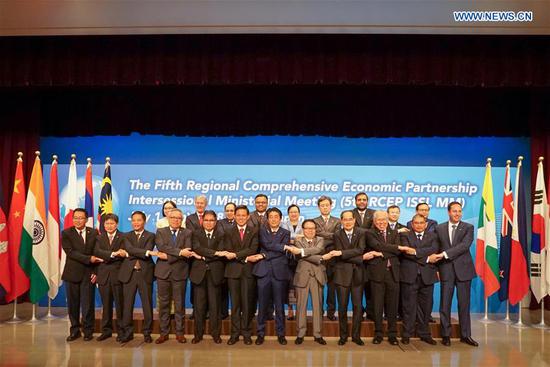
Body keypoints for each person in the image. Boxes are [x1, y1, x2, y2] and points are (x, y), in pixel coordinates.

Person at [432, 201, 478, 347]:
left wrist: (445, 254)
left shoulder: (468, 227)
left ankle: (466, 335)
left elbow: (464, 246)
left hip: (463, 271)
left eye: (459, 211)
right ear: (448, 212)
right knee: (445, 304)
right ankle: (446, 335)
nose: (457, 214)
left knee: (464, 304)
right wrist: (436, 268)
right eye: (454, 211)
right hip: (446, 270)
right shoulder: (439, 228)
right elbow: (436, 248)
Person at [322, 210, 365, 346]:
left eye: (350, 219)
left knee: (358, 307)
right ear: (341, 221)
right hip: (341, 275)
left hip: (358, 275)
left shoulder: (362, 233)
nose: (347, 222)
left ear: (354, 220)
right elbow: (351, 254)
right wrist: (356, 257)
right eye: (344, 219)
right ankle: (343, 336)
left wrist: (342, 253)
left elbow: (361, 250)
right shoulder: (337, 235)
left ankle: (356, 336)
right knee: (342, 307)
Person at [250, 207, 291, 345]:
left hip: (279, 274)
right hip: (263, 273)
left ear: (280, 219)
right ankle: (260, 334)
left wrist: (264, 254)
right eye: (271, 216)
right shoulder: (261, 231)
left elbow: (280, 251)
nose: (273, 219)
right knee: (262, 306)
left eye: (276, 216)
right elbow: (267, 245)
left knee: (279, 306)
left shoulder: (286, 232)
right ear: (267, 219)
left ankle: (281, 334)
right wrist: (281, 247)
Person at [365, 210, 406, 346]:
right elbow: (377, 245)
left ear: (388, 220)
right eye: (379, 221)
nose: (382, 223)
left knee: (392, 306)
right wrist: (393, 249)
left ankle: (392, 334)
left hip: (393, 273)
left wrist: (381, 254)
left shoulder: (395, 232)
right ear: (374, 222)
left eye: (384, 220)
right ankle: (378, 333)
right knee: (377, 305)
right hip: (377, 274)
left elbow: (398, 251)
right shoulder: (370, 233)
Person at [118, 211, 159, 344]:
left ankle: (147, 332)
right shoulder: (126, 235)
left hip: (144, 273)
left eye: (138, 220)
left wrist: (132, 253)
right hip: (129, 274)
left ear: (144, 221)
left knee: (147, 305)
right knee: (127, 305)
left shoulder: (151, 236)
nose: (136, 223)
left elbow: (137, 251)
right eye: (133, 220)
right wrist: (145, 252)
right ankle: (127, 332)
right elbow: (135, 250)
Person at [154, 208, 194, 344]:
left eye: (178, 218)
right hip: (162, 273)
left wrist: (170, 256)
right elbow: (161, 247)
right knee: (163, 305)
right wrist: (179, 252)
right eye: (173, 218)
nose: (176, 220)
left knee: (179, 304)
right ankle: (163, 333)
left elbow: (187, 251)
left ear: (181, 220)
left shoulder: (187, 233)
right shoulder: (160, 231)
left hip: (180, 273)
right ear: (168, 218)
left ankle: (179, 333)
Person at [398, 214, 438, 345]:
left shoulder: (433, 236)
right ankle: (406, 334)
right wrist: (426, 258)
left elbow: (433, 249)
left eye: (422, 223)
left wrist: (415, 251)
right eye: (416, 223)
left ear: (426, 224)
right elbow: (406, 253)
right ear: (412, 224)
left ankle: (424, 333)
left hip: (427, 276)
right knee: (408, 307)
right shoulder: (404, 236)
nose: (419, 225)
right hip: (409, 276)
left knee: (426, 308)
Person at [62, 208, 101, 342]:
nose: (78, 220)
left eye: (81, 218)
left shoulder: (94, 232)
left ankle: (88, 331)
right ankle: (75, 330)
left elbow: (98, 253)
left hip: (88, 274)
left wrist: (96, 272)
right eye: (75, 218)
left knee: (88, 304)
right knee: (73, 305)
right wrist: (88, 258)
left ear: (86, 219)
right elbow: (70, 252)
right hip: (72, 273)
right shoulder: (66, 233)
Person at [285, 219, 327, 345]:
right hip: (302, 276)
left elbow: (318, 249)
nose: (310, 230)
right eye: (307, 228)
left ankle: (318, 334)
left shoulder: (321, 240)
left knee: (317, 307)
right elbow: (314, 253)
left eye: (312, 228)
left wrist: (302, 252)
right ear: (303, 230)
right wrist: (320, 258)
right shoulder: (298, 240)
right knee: (301, 307)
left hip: (317, 276)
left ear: (315, 230)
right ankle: (300, 334)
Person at [223, 205, 259, 345]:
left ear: (248, 216)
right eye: (238, 215)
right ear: (234, 216)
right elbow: (228, 250)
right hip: (233, 272)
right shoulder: (228, 231)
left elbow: (253, 249)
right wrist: (243, 257)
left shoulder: (254, 231)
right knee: (235, 305)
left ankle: (246, 333)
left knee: (247, 304)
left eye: (244, 215)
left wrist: (237, 255)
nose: (241, 217)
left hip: (248, 272)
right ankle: (234, 334)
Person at [190, 210, 226, 344]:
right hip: (199, 274)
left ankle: (215, 334)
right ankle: (197, 334)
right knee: (199, 307)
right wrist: (214, 253)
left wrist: (205, 256)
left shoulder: (221, 234)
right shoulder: (196, 233)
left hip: (215, 274)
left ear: (215, 221)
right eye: (206, 220)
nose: (209, 223)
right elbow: (197, 248)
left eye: (212, 220)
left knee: (215, 306)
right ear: (202, 221)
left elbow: (222, 251)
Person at [93, 213, 127, 342]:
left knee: (120, 305)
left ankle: (121, 331)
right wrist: (113, 254)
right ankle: (106, 331)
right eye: (107, 223)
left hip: (118, 276)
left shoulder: (123, 237)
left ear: (116, 224)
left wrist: (107, 255)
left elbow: (123, 253)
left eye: (112, 223)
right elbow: (97, 252)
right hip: (104, 276)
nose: (109, 226)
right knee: (106, 305)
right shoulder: (99, 238)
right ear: (103, 225)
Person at [313, 195, 340, 321]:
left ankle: (331, 312)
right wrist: (332, 236)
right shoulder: (314, 221)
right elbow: (316, 234)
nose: (325, 207)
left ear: (331, 206)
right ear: (319, 207)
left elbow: (338, 236)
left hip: (334, 258)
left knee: (332, 287)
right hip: (319, 256)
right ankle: (319, 311)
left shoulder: (338, 220)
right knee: (319, 287)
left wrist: (324, 236)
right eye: (322, 205)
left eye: (327, 205)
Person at [352, 192, 375, 321]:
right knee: (357, 288)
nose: (362, 201)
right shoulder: (349, 214)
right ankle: (358, 313)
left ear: (367, 201)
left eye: (364, 200)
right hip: (355, 255)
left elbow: (374, 231)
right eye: (359, 199)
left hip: (371, 255)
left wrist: (359, 231)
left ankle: (371, 313)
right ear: (355, 201)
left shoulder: (374, 213)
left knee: (371, 287)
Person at [281, 204, 303, 321]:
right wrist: (297, 238)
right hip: (286, 258)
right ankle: (290, 309)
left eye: (296, 212)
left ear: (299, 214)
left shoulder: (303, 225)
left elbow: (305, 238)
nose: (293, 214)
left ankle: (299, 308)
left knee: (299, 284)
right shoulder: (283, 225)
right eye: (291, 212)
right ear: (288, 214)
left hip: (300, 259)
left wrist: (291, 239)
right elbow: (283, 239)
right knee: (288, 284)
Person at [217, 202, 237, 319]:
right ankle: (223, 313)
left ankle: (237, 313)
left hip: (236, 260)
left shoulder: (241, 223)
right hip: (223, 261)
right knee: (223, 289)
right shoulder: (219, 223)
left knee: (236, 292)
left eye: (232, 210)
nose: (229, 212)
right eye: (227, 210)